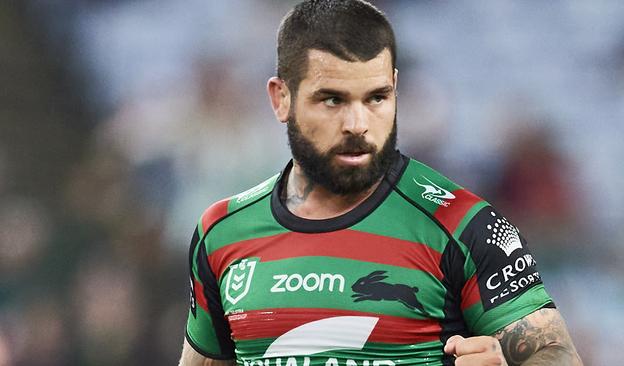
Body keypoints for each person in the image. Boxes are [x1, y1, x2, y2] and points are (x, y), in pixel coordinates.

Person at [179, 1, 582, 365]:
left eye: (376, 98)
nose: (358, 125)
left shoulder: (463, 226)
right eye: (332, 100)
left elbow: (557, 354)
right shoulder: (222, 234)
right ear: (281, 98)